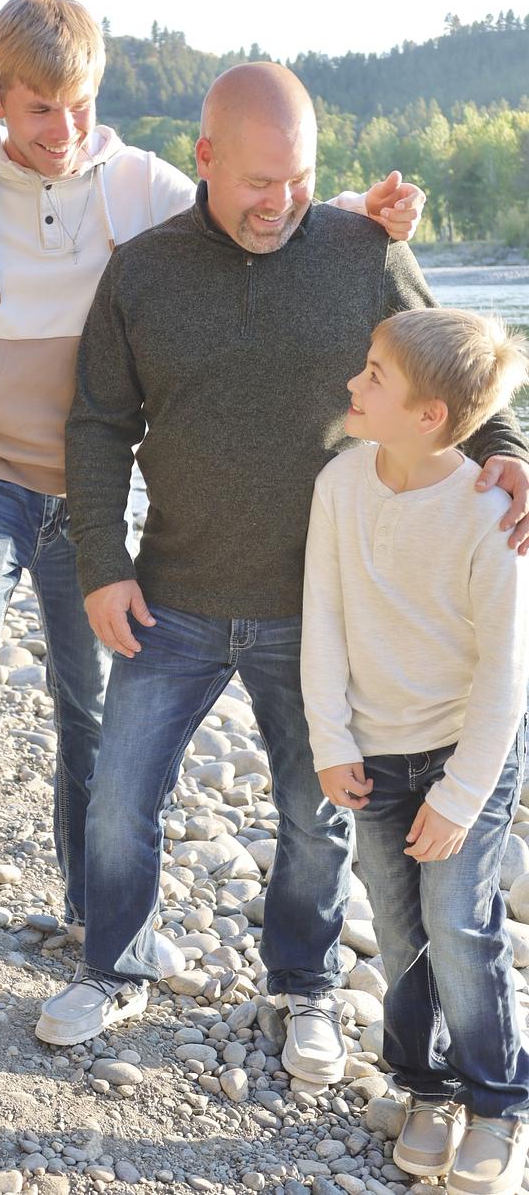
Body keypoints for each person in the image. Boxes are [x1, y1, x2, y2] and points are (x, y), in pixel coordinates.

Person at [0, 0, 427, 1038]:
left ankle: (203, 957)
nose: (65, 130)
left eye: (80, 104)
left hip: (202, 549)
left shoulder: (158, 189)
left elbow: (295, 233)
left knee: (199, 766)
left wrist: (364, 212)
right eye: (40, 109)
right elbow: (84, 408)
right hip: (28, 506)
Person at [36, 62, 529, 1075]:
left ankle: (302, 985)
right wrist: (102, 561)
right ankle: (113, 964)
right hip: (169, 595)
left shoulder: (362, 250)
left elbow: (453, 371)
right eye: (259, 181)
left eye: (298, 178)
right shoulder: (142, 272)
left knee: (315, 815)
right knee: (120, 799)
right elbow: (96, 424)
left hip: (319, 609)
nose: (280, 201)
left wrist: (510, 453)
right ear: (205, 159)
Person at [301, 308, 529, 1195]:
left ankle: (498, 1102)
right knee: (398, 928)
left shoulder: (491, 513)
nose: (352, 384)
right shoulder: (339, 484)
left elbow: (506, 676)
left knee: (461, 924)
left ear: (430, 415)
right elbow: (322, 617)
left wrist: (462, 795)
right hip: (375, 750)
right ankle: (425, 1087)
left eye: (374, 376)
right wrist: (331, 739)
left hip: (464, 753)